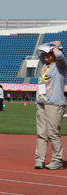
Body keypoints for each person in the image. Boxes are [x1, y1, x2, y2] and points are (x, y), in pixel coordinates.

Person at [34, 41, 67, 170]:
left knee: (53, 133)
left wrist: (54, 47)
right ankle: (39, 160)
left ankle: (57, 160)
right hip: (42, 103)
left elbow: (59, 56)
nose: (46, 56)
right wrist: (51, 44)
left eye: (49, 54)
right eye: (45, 54)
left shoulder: (61, 66)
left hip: (54, 104)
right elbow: (38, 50)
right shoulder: (45, 65)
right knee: (41, 133)